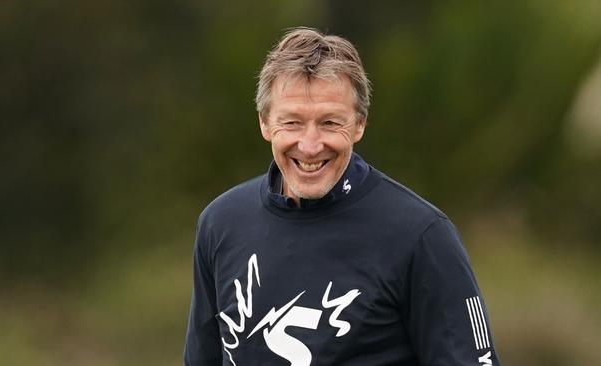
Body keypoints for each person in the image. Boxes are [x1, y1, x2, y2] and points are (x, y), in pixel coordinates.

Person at [184, 27, 500, 366]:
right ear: (264, 123)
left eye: (330, 123)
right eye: (291, 122)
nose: (309, 145)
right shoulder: (220, 223)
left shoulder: (422, 235)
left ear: (359, 124)